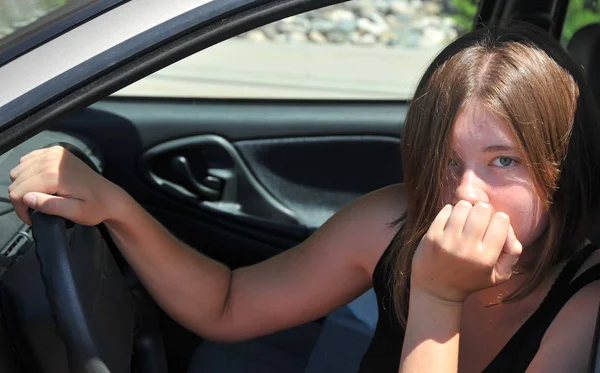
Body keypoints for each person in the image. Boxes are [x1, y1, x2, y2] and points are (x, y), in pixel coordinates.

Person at [7, 21, 600, 372]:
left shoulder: (584, 301)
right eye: (446, 163)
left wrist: (438, 297)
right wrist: (117, 206)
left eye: (504, 161)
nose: (465, 194)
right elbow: (228, 304)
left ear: (558, 167)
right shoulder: (395, 222)